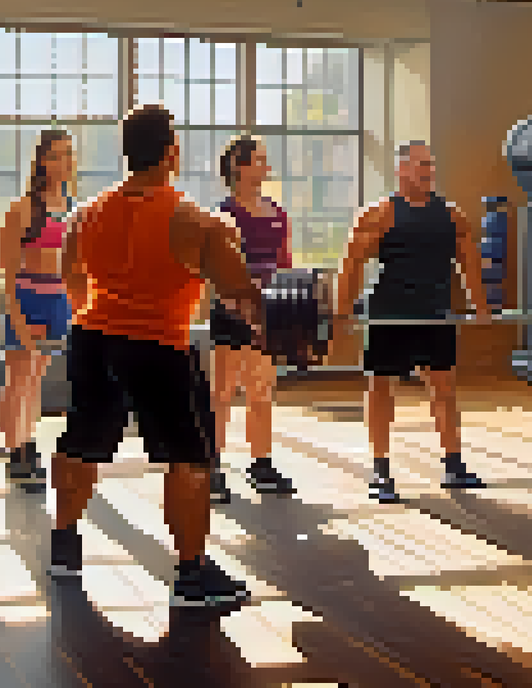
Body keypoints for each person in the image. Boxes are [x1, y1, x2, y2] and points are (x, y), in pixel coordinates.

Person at [49, 103, 263, 608]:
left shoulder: (87, 213)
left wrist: (98, 314)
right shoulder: (196, 221)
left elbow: (71, 276)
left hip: (93, 339)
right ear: (173, 152)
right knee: (188, 456)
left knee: (80, 440)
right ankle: (191, 572)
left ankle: (64, 543)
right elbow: (240, 293)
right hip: (157, 346)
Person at [332, 141, 489, 503]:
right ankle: (381, 469)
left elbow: (469, 263)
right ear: (401, 169)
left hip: (434, 314)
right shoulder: (379, 214)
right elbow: (352, 263)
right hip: (389, 313)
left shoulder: (451, 215)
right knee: (381, 387)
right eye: (420, 165)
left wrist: (481, 308)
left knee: (444, 389)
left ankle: (453, 464)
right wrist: (343, 310)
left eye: (431, 165)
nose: (428, 171)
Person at [208, 136, 297, 503]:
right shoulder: (222, 215)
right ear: (239, 167)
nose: (267, 167)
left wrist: (281, 311)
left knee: (261, 391)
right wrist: (238, 305)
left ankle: (260, 464)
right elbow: (216, 270)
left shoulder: (277, 214)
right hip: (231, 314)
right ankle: (212, 467)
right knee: (222, 393)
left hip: (268, 316)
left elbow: (285, 266)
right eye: (260, 160)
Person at [0, 130, 77, 490]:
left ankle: (28, 445)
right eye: (57, 155)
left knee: (36, 381)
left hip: (57, 300)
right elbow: (9, 272)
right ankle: (16, 451)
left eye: (68, 155)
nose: (64, 162)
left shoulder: (75, 210)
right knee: (18, 380)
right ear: (42, 161)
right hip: (26, 297)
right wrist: (16, 317)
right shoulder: (23, 209)